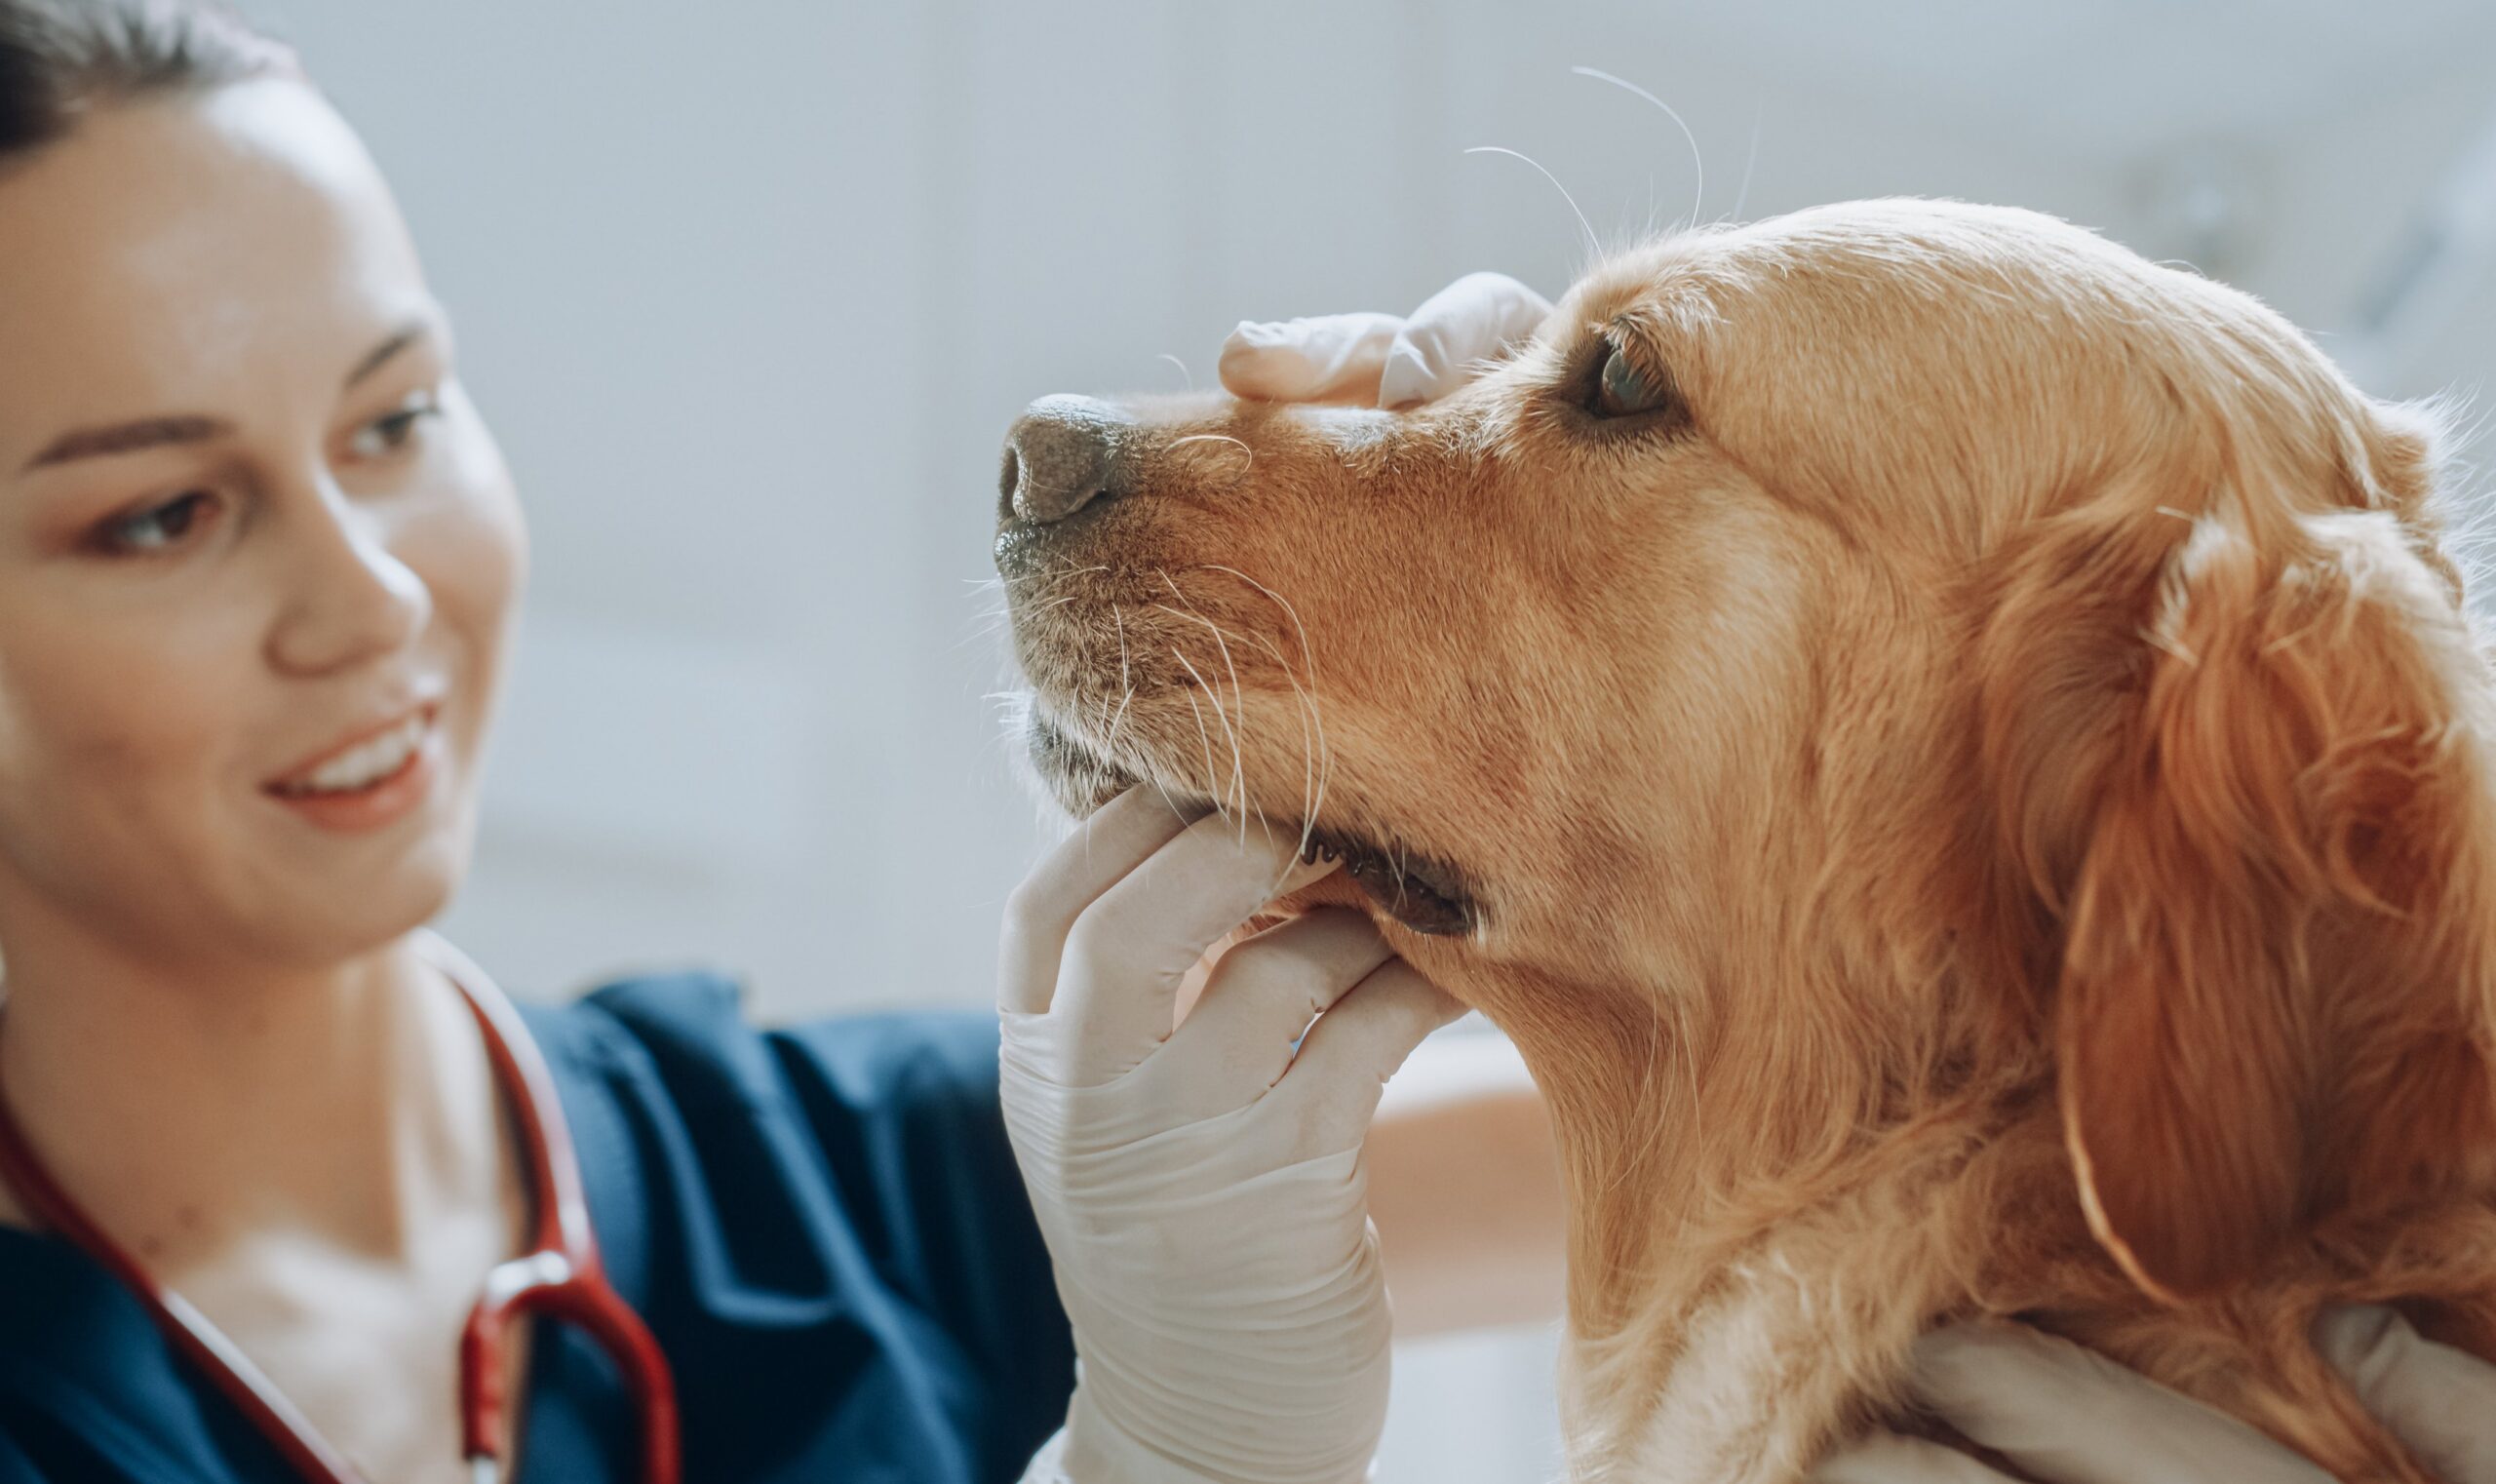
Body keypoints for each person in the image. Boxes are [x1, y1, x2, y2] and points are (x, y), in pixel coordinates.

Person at [0, 4, 2484, 1483]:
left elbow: (1894, 1062)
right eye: (157, 517)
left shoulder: (847, 1167)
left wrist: (1463, 518)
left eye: (402, 415)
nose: (369, 590)